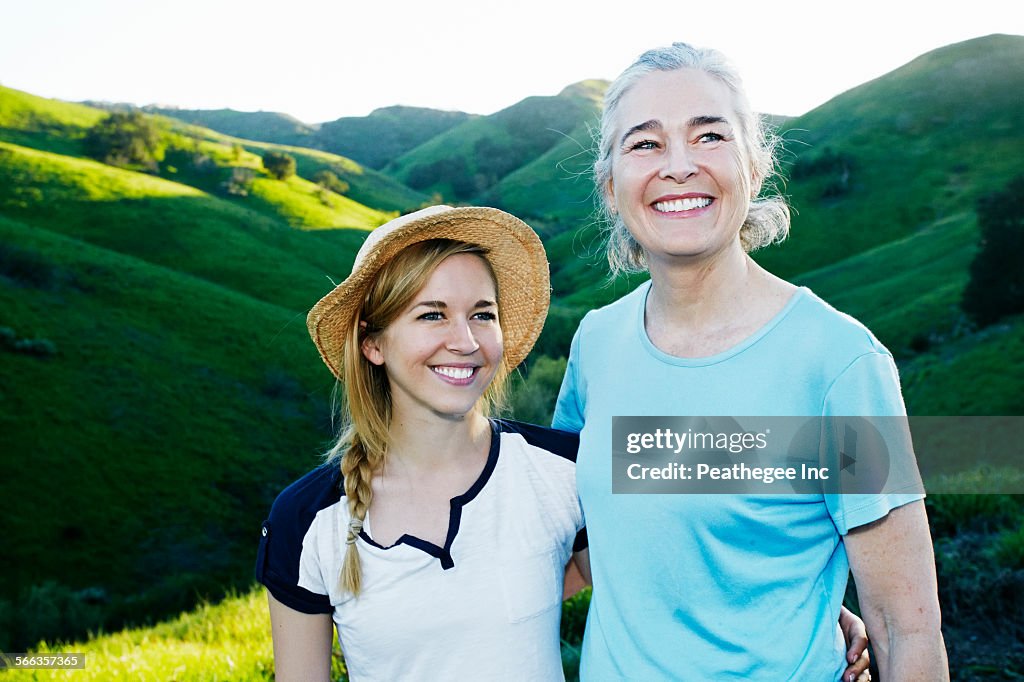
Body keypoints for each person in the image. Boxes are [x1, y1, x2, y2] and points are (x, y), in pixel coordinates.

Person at [256, 205, 874, 681]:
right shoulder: (305, 521)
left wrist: (812, 607)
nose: (465, 341)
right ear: (373, 343)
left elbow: (751, 475)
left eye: (482, 313)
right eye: (431, 315)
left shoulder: (563, 466)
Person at [552, 42, 949, 680]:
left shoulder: (839, 366)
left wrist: (823, 606)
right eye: (644, 144)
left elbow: (907, 628)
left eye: (709, 135)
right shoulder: (597, 344)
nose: (678, 166)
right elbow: (589, 544)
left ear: (755, 165)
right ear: (610, 184)